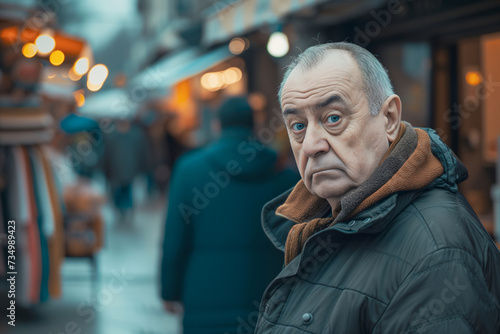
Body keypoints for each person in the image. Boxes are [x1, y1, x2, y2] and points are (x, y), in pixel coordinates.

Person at [254, 42, 500, 333]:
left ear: (390, 119)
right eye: (297, 126)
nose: (311, 145)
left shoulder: (436, 249)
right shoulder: (321, 223)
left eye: (333, 118)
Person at [160, 96, 299, 334]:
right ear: (254, 126)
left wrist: (169, 291)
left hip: (203, 304)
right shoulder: (285, 177)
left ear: (216, 125)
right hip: (266, 303)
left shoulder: (188, 169)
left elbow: (175, 236)